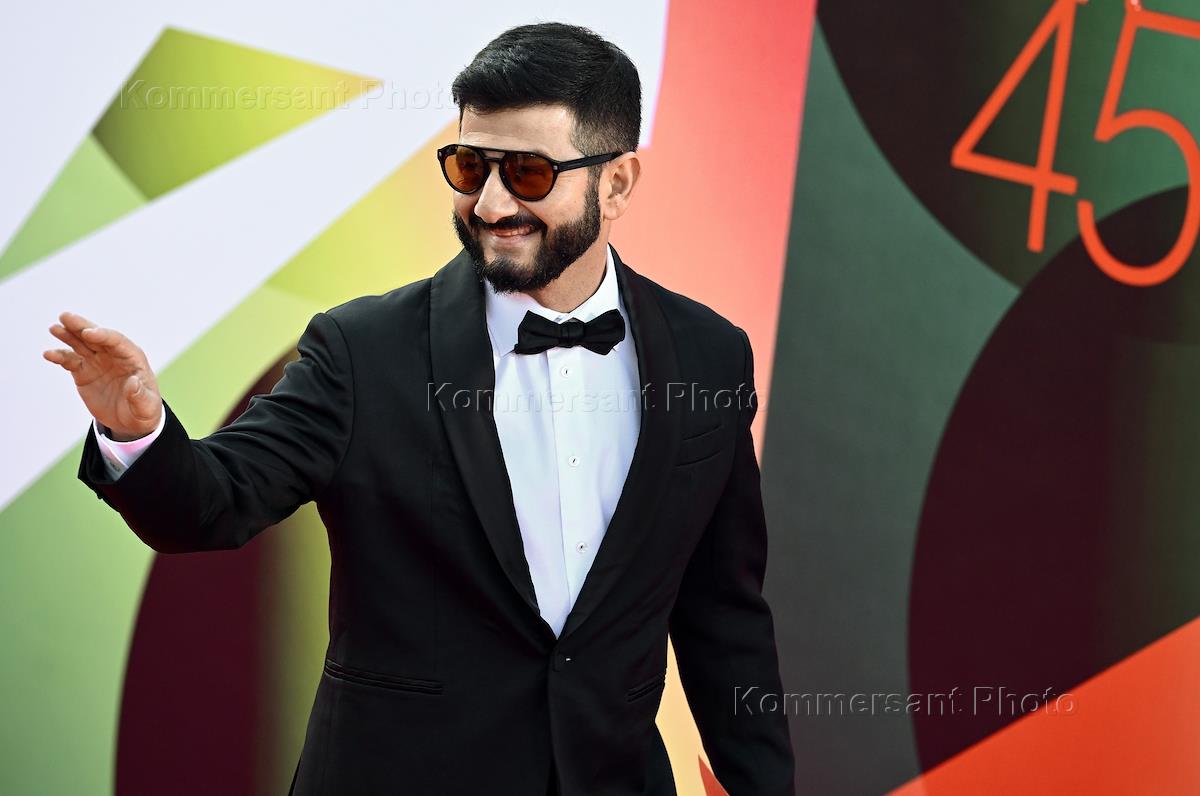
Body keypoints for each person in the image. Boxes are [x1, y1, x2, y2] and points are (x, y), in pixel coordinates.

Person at [44, 21, 795, 796]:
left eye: (529, 173)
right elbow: (211, 505)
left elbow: (723, 618)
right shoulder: (362, 351)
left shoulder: (708, 357)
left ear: (618, 184)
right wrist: (137, 433)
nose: (490, 204)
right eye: (470, 167)